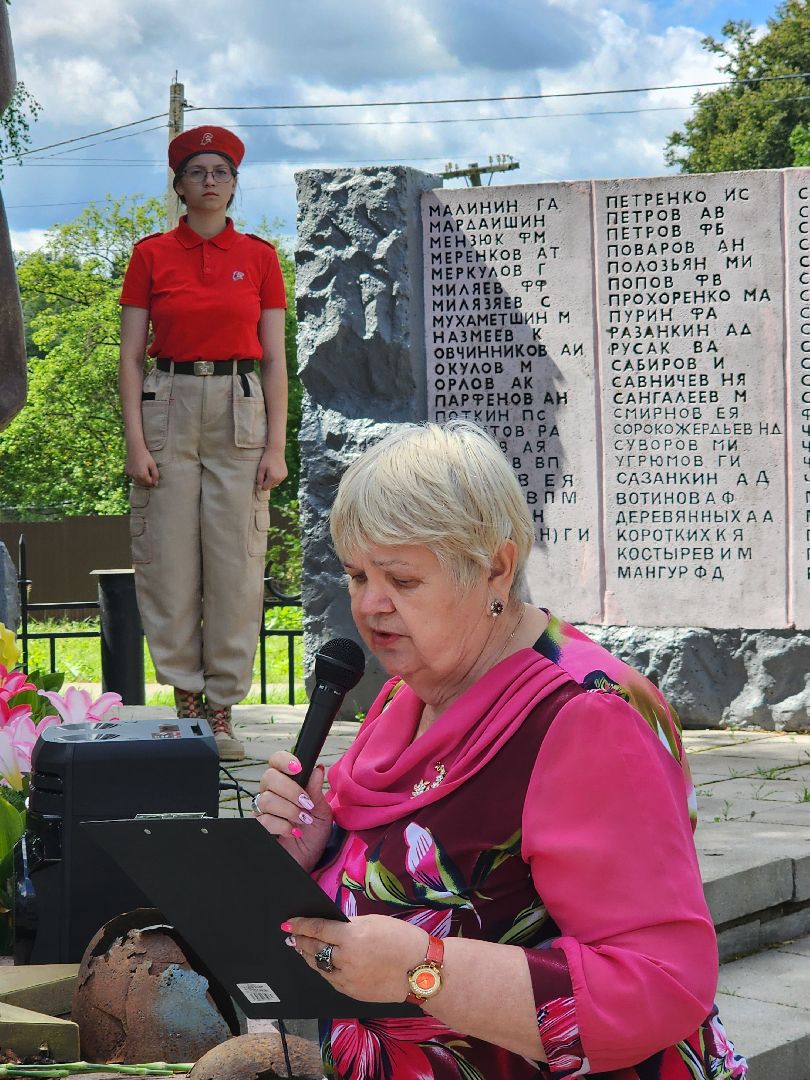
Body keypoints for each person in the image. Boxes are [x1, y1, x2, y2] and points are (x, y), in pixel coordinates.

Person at [254, 421, 748, 1080]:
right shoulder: (411, 696)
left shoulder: (585, 716)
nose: (369, 605)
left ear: (495, 568)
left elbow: (657, 986)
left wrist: (422, 971)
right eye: (355, 574)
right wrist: (312, 854)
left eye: (401, 579)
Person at [119, 125, 288, 761]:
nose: (210, 181)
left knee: (236, 563)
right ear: (180, 184)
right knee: (167, 560)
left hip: (239, 409)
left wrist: (275, 445)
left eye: (222, 171)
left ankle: (222, 710)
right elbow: (131, 357)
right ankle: (185, 703)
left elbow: (275, 359)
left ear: (235, 183)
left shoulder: (263, 257)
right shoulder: (151, 255)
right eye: (198, 172)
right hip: (169, 405)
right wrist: (136, 442)